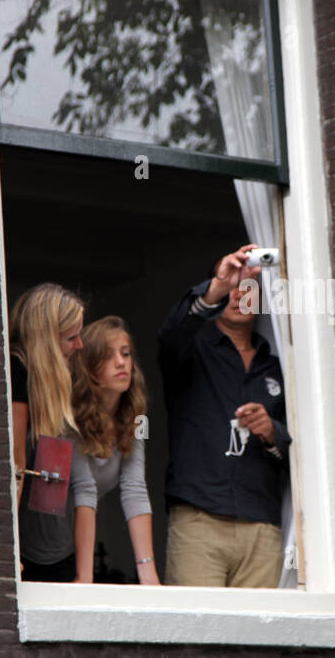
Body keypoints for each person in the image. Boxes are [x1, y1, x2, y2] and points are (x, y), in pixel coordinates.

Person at [158, 243, 291, 587]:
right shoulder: (190, 351)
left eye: (247, 287)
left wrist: (272, 431)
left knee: (259, 640)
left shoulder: (280, 367)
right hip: (199, 520)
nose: (238, 294)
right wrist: (216, 286)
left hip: (261, 523)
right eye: (231, 288)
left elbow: (307, 444)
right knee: (197, 636)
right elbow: (170, 334)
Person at [8, 282, 96, 582]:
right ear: (46, 339)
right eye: (71, 337)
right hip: (24, 551)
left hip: (52, 547)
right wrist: (9, 549)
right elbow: (15, 466)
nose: (80, 345)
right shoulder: (17, 371)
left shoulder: (55, 381)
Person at [71, 316, 160, 585]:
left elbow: (135, 488)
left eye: (125, 354)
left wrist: (149, 576)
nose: (121, 363)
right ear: (88, 365)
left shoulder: (136, 418)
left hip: (73, 541)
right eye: (108, 356)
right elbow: (83, 489)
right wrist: (85, 578)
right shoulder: (71, 416)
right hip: (49, 541)